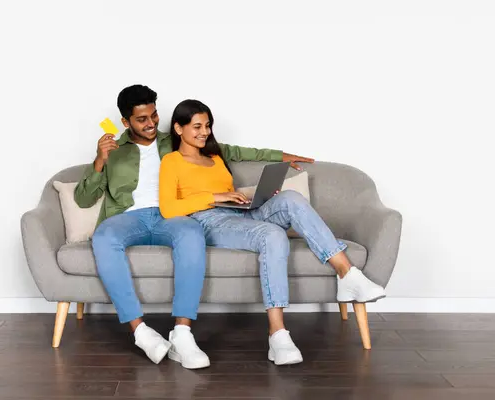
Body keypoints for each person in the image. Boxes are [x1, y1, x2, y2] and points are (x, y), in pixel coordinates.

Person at [73, 85, 310, 369]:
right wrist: (100, 161)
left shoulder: (173, 140)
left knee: (192, 234)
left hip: (171, 216)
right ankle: (140, 331)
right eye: (141, 119)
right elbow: (83, 197)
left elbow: (231, 151)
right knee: (103, 237)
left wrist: (280, 156)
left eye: (154, 115)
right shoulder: (113, 150)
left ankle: (182, 333)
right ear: (125, 122)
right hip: (129, 217)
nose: (150, 124)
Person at [159, 99, 387, 366]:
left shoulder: (215, 156)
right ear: (178, 128)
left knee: (290, 197)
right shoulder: (171, 161)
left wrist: (260, 193)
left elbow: (243, 171)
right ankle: (278, 335)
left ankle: (347, 273)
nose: (204, 132)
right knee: (272, 235)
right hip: (209, 221)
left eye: (207, 125)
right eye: (197, 126)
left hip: (241, 212)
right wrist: (214, 196)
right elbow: (168, 208)